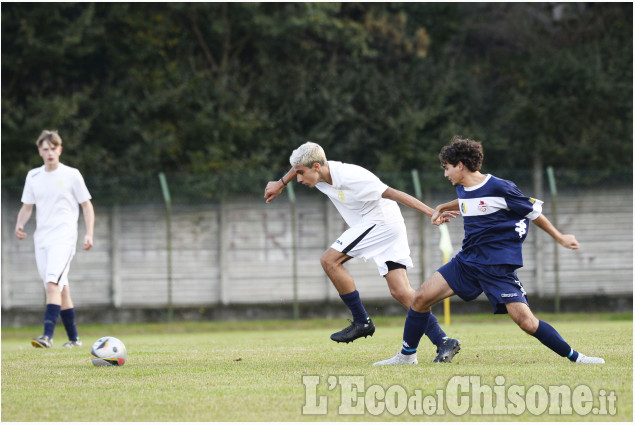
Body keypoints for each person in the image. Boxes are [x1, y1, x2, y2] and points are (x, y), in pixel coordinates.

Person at [374, 136, 605, 365]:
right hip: (466, 263)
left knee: (527, 322)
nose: (445, 174)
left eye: (447, 168)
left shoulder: (500, 187)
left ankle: (577, 357)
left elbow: (534, 212)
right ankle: (406, 356)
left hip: (497, 268)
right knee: (420, 298)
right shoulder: (463, 188)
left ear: (460, 165)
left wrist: (560, 236)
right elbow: (467, 201)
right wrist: (442, 207)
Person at [264, 141, 461, 362]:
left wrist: (431, 212)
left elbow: (395, 193)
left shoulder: (351, 176)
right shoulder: (315, 172)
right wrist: (281, 183)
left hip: (381, 222)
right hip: (385, 223)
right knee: (401, 291)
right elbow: (299, 165)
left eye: (301, 174)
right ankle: (443, 341)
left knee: (329, 261)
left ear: (317, 166)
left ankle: (362, 321)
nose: (298, 179)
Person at [14, 130, 95, 349]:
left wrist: (89, 233)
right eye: (45, 149)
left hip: (64, 238)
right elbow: (27, 206)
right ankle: (74, 339)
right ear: (39, 151)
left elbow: (86, 206)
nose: (49, 153)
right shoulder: (33, 176)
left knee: (52, 283)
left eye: (53, 148)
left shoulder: (72, 174)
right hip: (42, 240)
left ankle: (47, 336)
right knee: (61, 288)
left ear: (60, 149)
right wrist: (20, 224)